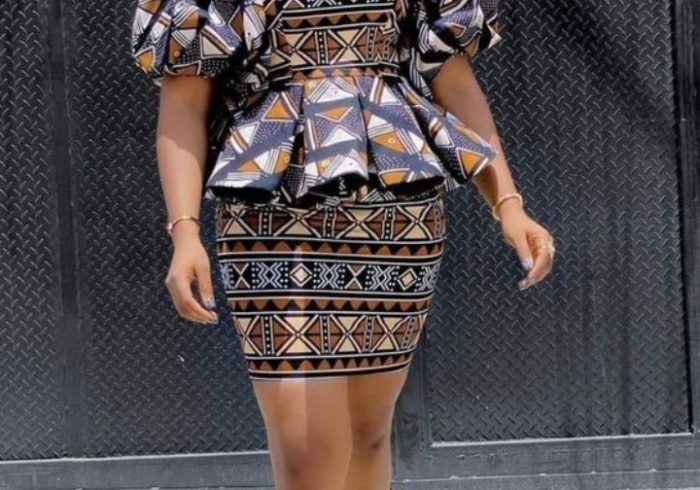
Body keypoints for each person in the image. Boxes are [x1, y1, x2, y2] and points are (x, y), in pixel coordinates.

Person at [130, 0, 555, 487]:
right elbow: (184, 99)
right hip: (273, 212)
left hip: (396, 212)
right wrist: (185, 231)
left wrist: (508, 203)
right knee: (307, 452)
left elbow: (452, 78)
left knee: (367, 433)